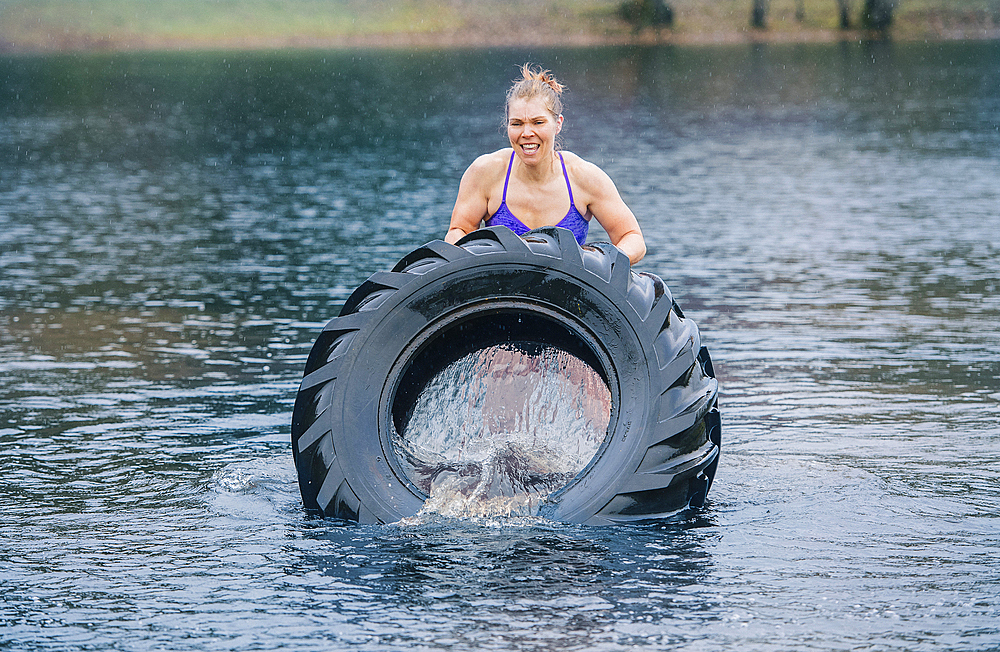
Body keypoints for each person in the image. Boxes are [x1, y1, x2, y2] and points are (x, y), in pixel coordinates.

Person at [445, 64, 646, 265]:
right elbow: (458, 231)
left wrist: (598, 264)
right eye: (517, 123)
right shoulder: (485, 172)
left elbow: (632, 238)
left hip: (563, 292)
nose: (526, 133)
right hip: (502, 291)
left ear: (557, 124)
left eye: (538, 122)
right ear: (507, 125)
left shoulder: (584, 176)